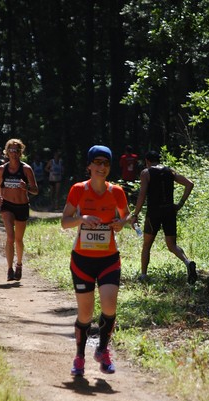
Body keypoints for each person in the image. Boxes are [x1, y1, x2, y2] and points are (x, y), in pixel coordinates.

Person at [61, 145, 130, 377]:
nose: (101, 167)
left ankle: (102, 350)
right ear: (89, 166)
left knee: (110, 306)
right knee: (86, 314)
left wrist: (121, 223)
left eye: (106, 164)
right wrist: (82, 218)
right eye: (97, 163)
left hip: (109, 259)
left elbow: (126, 215)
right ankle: (79, 356)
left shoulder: (117, 191)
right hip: (82, 261)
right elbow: (64, 221)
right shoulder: (78, 190)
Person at [131, 150, 197, 284]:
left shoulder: (146, 173)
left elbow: (142, 195)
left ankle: (143, 275)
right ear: (158, 160)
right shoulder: (170, 171)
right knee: (172, 245)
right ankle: (187, 262)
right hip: (169, 211)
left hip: (154, 213)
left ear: (147, 161)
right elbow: (189, 184)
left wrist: (135, 214)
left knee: (147, 245)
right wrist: (180, 204)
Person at [0, 138, 38, 281]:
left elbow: (35, 190)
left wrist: (27, 188)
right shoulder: (2, 169)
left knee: (18, 240)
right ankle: (9, 269)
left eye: (16, 150)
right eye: (11, 150)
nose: (13, 153)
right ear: (6, 152)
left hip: (22, 206)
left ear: (20, 153)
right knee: (10, 237)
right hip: (7, 205)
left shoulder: (26, 169)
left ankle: (19, 264)